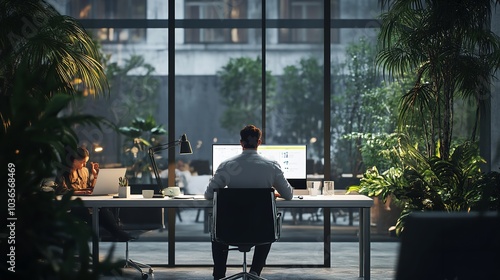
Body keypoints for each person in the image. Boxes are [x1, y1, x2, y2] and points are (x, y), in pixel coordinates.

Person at [205, 125, 293, 280]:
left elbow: (208, 194)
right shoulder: (271, 166)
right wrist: (272, 193)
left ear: (241, 143)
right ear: (259, 142)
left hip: (229, 229)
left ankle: (219, 274)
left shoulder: (227, 165)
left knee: (216, 225)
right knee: (268, 222)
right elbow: (289, 195)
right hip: (261, 231)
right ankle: (255, 272)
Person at [55, 146, 132, 242]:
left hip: (86, 205)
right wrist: (82, 192)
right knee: (97, 213)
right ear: (73, 160)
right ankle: (118, 233)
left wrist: (95, 177)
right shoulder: (62, 173)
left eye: (86, 162)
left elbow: (90, 188)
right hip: (72, 207)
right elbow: (62, 191)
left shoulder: (84, 171)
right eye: (82, 162)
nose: (84, 164)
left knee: (102, 210)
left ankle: (118, 233)